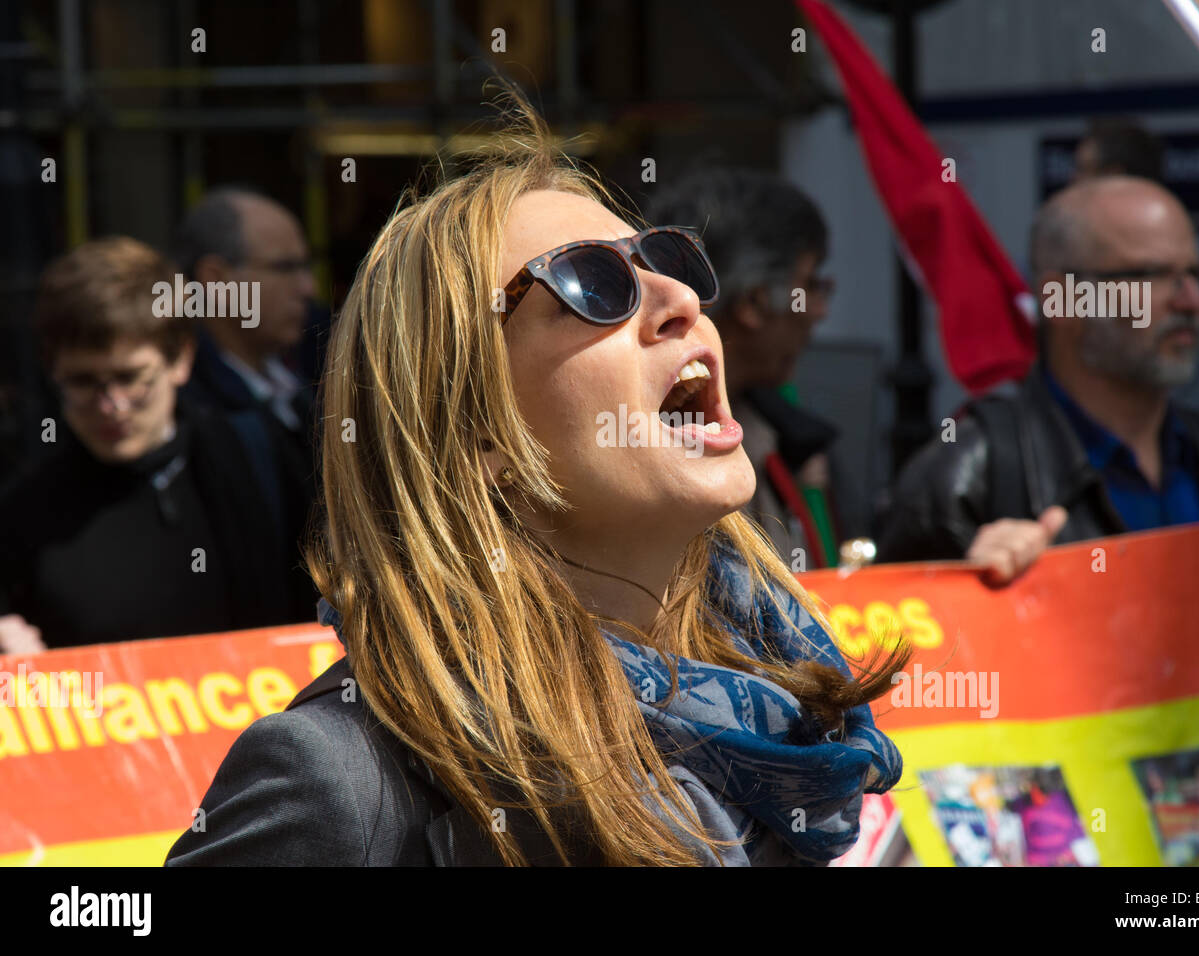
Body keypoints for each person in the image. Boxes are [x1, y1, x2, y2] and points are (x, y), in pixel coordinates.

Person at [166, 95, 909, 867]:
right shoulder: (343, 784)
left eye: (670, 261)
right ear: (477, 431)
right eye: (593, 284)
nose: (683, 301)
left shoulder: (793, 733)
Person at [874, 175, 1199, 580]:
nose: (1191, 300)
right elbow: (889, 637)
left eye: (1197, 274)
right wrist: (968, 593)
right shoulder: (969, 478)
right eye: (1150, 275)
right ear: (1061, 299)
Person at [0, 238, 307, 650]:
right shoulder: (25, 510)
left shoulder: (261, 459)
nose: (111, 406)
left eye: (130, 378)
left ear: (180, 359)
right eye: (82, 382)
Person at [645, 168, 840, 568]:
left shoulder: (788, 436)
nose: (818, 312)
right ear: (752, 304)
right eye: (811, 286)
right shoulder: (645, 455)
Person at [170, 187, 320, 565]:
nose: (307, 288)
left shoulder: (309, 380)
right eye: (285, 268)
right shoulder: (181, 414)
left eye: (306, 267)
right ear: (216, 278)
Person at [1073, 117, 1199, 417]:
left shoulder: (1194, 257)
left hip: (1170, 433)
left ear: (1113, 177)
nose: (1072, 182)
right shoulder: (1079, 264)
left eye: (1082, 170)